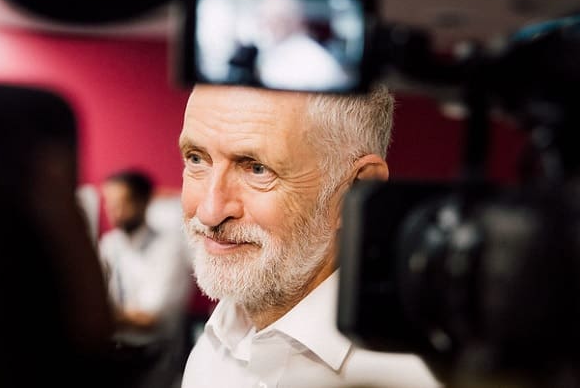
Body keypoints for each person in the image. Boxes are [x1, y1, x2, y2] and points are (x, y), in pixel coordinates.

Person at [179, 85, 440, 387]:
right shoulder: (213, 346)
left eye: (257, 169)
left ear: (357, 187)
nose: (209, 212)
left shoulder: (413, 375)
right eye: (196, 159)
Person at [98, 170, 191, 388]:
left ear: (143, 202)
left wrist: (96, 317)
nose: (115, 211)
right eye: (110, 203)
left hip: (154, 355)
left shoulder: (168, 248)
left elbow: (149, 319)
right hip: (114, 351)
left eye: (123, 202)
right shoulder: (110, 244)